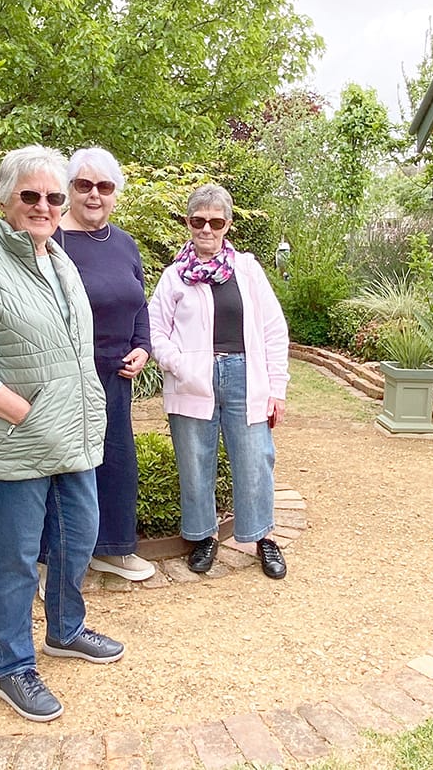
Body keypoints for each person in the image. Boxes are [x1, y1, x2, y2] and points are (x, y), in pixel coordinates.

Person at [0, 144, 124, 723]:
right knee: (18, 558)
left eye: (52, 196)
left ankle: (65, 630)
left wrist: (85, 408)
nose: (44, 205)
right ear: (4, 200)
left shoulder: (60, 261)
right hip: (15, 442)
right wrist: (25, 412)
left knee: (79, 537)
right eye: (31, 196)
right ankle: (13, 666)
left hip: (71, 435)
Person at [148, 183, 291, 580]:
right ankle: (203, 536)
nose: (206, 229)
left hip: (246, 375)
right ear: (188, 223)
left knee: (256, 457)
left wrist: (276, 388)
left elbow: (274, 329)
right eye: (198, 221)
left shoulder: (247, 269)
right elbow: (154, 330)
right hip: (193, 381)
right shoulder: (175, 276)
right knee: (194, 460)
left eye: (215, 221)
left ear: (227, 224)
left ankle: (261, 537)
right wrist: (180, 366)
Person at [55, 147, 154, 582]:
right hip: (66, 376)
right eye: (84, 185)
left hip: (116, 374)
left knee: (116, 461)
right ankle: (53, 562)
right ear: (69, 189)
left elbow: (139, 302)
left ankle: (113, 548)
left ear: (115, 194)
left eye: (104, 187)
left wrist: (143, 346)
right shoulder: (50, 242)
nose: (94, 195)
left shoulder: (124, 242)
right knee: (64, 466)